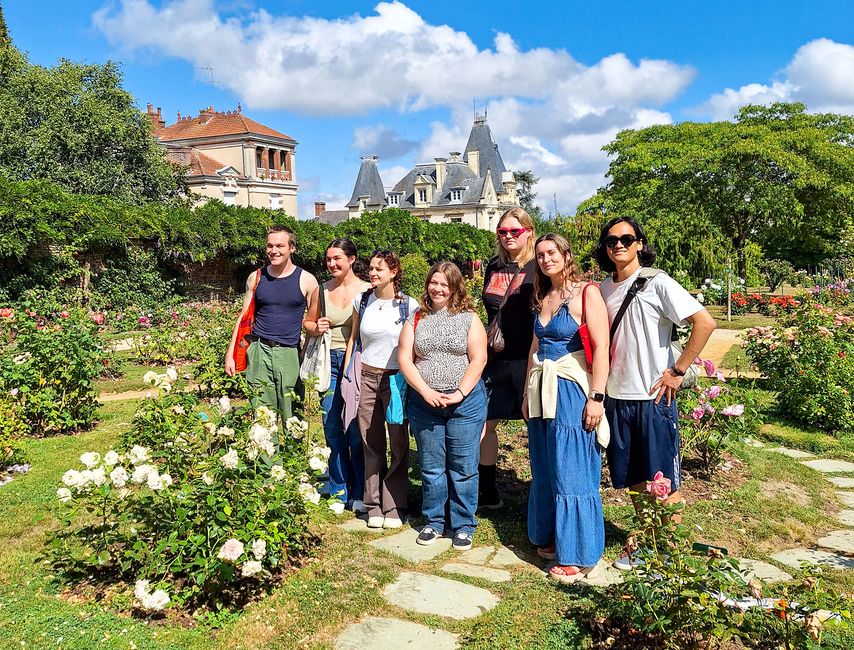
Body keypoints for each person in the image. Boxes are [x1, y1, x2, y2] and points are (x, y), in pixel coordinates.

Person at [594, 217, 716, 571]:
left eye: (626, 238)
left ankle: (673, 553)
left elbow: (704, 322)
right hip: (616, 397)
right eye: (611, 240)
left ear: (639, 244)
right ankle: (648, 543)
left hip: (653, 398)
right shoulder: (603, 289)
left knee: (662, 478)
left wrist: (677, 371)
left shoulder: (657, 282)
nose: (618, 245)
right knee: (633, 478)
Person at [522, 233, 611, 583]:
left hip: (572, 390)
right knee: (545, 466)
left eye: (552, 252)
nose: (546, 259)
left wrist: (597, 397)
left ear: (566, 254)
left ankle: (578, 552)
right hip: (542, 390)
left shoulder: (586, 292)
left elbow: (601, 347)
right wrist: (526, 392)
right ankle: (551, 536)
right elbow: (534, 347)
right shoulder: (543, 295)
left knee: (572, 467)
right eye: (540, 255)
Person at [398, 262, 488, 551]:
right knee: (432, 465)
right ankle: (434, 521)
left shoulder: (469, 318)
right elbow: (404, 358)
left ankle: (463, 525)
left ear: (454, 288)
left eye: (444, 284)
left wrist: (460, 392)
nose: (437, 288)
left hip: (464, 403)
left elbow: (479, 359)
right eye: (433, 282)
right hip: (426, 403)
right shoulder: (416, 317)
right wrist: (425, 391)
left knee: (462, 466)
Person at [344, 251, 418, 529]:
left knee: (398, 441)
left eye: (379, 269)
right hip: (367, 376)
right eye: (371, 268)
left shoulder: (409, 305)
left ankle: (395, 504)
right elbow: (354, 340)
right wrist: (348, 377)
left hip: (396, 380)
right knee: (370, 440)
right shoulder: (362, 301)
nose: (373, 273)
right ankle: (373, 504)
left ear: (394, 271)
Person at [303, 239, 370, 512]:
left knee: (356, 428)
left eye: (337, 258)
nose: (331, 264)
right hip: (328, 362)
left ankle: (360, 489)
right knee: (332, 425)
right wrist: (315, 327)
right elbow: (307, 322)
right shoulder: (322, 289)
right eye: (328, 259)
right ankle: (338, 487)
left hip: (356, 362)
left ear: (352, 259)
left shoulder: (367, 290)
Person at [225, 225, 317, 421]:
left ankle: (292, 452)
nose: (274, 251)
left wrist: (305, 354)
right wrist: (230, 354)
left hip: (289, 352)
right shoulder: (256, 278)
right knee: (262, 416)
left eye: (280, 246)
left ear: (292, 248)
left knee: (293, 417)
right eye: (270, 246)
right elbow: (243, 318)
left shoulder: (307, 280)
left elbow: (313, 323)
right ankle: (267, 452)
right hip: (259, 352)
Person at [479, 207, 537, 510]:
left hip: (528, 356)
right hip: (495, 358)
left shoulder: (539, 266)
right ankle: (487, 490)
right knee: (485, 422)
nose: (508, 237)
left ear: (528, 231)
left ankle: (539, 493)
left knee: (536, 423)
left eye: (515, 231)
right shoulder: (494, 266)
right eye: (502, 232)